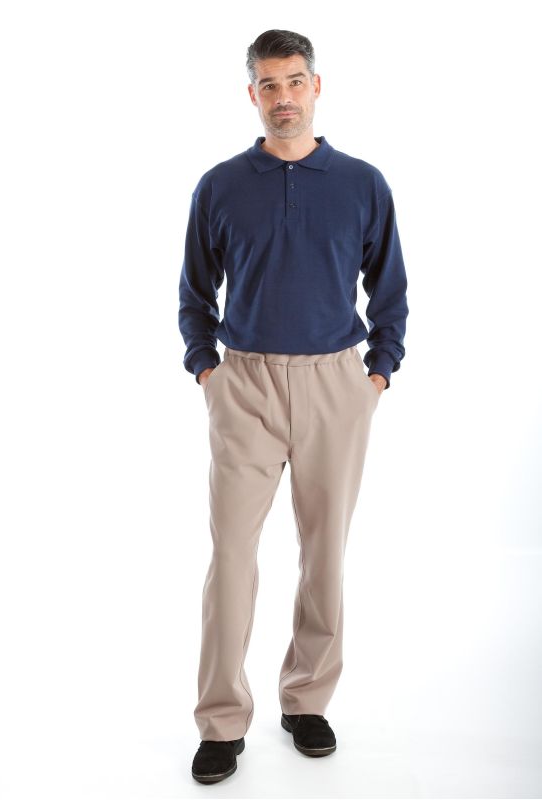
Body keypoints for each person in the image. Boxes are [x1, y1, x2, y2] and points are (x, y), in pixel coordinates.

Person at [178, 28, 409, 784]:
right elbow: (194, 292)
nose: (284, 97)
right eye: (269, 85)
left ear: (317, 86)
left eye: (295, 81)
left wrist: (376, 377)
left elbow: (390, 290)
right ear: (252, 94)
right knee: (231, 556)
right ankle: (221, 720)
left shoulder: (363, 184)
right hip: (243, 384)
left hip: (336, 384)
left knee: (325, 552)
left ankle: (306, 701)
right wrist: (208, 370)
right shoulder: (220, 185)